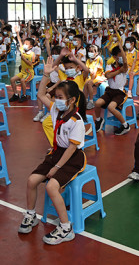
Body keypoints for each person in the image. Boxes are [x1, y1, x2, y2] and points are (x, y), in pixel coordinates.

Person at [19, 57, 86, 245]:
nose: (56, 100)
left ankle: (66, 228)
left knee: (51, 186)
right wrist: (46, 75)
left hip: (73, 158)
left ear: (72, 100)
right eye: (56, 97)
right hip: (56, 152)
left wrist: (56, 167)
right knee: (32, 180)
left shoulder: (77, 121)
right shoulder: (57, 110)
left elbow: (72, 148)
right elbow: (41, 95)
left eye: (60, 97)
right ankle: (30, 214)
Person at [93, 46, 129, 135]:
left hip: (120, 93)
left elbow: (124, 64)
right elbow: (108, 76)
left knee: (110, 107)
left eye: (124, 55)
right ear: (115, 57)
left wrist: (121, 47)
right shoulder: (110, 66)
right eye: (121, 55)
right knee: (97, 103)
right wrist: (118, 71)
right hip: (110, 91)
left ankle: (125, 125)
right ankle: (99, 120)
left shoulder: (124, 68)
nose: (123, 57)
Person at [9, 34, 35, 102]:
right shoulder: (23, 50)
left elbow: (31, 64)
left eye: (26, 44)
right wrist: (17, 33)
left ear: (31, 46)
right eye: (24, 43)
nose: (24, 45)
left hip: (29, 73)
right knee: (12, 79)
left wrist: (24, 59)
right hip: (22, 72)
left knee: (22, 80)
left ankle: (24, 95)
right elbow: (20, 42)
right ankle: (16, 94)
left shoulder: (32, 54)